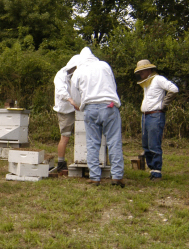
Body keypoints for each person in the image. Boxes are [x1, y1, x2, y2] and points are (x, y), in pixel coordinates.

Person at [68, 47, 126, 187]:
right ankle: (117, 176)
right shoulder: (104, 65)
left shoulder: (78, 72)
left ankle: (95, 177)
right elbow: (113, 85)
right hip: (109, 106)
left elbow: (75, 96)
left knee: (92, 143)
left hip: (90, 108)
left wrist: (80, 104)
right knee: (114, 141)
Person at [134, 59, 178, 180]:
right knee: (146, 144)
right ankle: (152, 170)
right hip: (145, 115)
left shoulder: (159, 79)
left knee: (154, 144)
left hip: (155, 115)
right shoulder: (147, 82)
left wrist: (164, 104)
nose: (141, 75)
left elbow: (174, 89)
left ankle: (157, 172)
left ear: (149, 70)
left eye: (142, 72)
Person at [50, 54, 81, 173]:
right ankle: (61, 163)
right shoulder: (60, 75)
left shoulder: (77, 74)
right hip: (65, 110)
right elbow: (61, 91)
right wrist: (71, 100)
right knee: (65, 137)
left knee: (82, 136)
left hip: (77, 108)